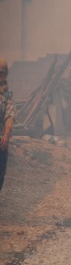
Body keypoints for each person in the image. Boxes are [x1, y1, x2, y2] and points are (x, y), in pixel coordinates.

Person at [0, 58, 15, 191]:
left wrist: (6, 134)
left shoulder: (7, 94)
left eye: (3, 73)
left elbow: (9, 115)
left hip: (1, 140)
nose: (1, 76)